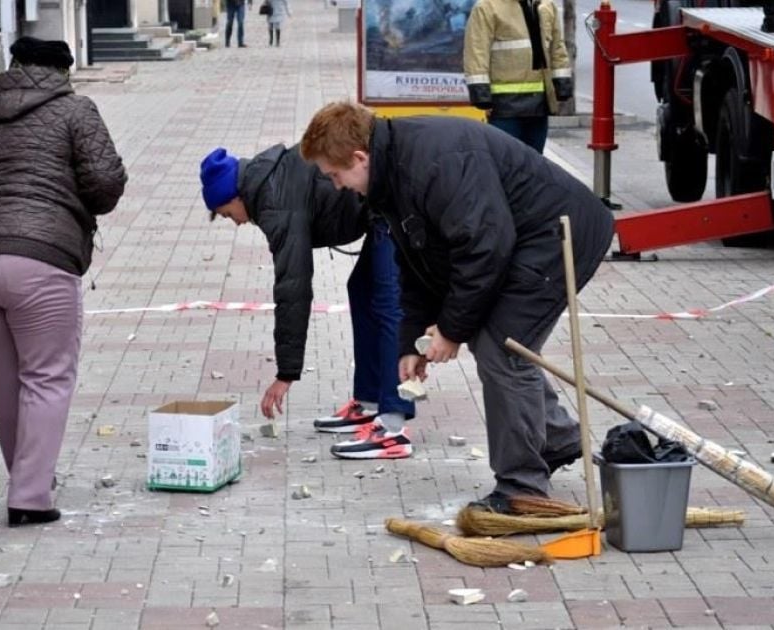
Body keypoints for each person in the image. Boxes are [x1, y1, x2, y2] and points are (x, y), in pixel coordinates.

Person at [299, 102, 615, 510]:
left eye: (335, 175)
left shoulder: (434, 162)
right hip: (517, 238)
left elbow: (483, 249)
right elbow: (415, 263)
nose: (338, 185)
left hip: (558, 234)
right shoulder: (391, 172)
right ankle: (556, 438)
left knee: (502, 348)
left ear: (360, 158)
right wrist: (411, 344)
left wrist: (450, 330)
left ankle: (522, 486)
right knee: (500, 343)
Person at [0, 38, 127, 527]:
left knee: (4, 381)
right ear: (64, 73)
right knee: (46, 375)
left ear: (13, 68)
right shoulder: (76, 110)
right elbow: (105, 186)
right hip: (38, 257)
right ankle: (30, 494)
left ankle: (27, 476)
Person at [199, 145, 416, 459]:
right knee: (361, 289)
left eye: (227, 214)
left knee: (385, 302)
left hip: (391, 203)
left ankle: (393, 426)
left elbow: (293, 287)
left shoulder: (274, 203)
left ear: (234, 196)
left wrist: (286, 373)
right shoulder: (265, 184)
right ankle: (370, 402)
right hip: (376, 205)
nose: (235, 222)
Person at [463, 0, 572, 153]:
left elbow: (557, 48)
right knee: (508, 164)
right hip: (505, 106)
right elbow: (477, 52)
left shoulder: (545, 6)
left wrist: (562, 83)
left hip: (538, 105)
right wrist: (481, 94)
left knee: (534, 164)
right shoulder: (487, 7)